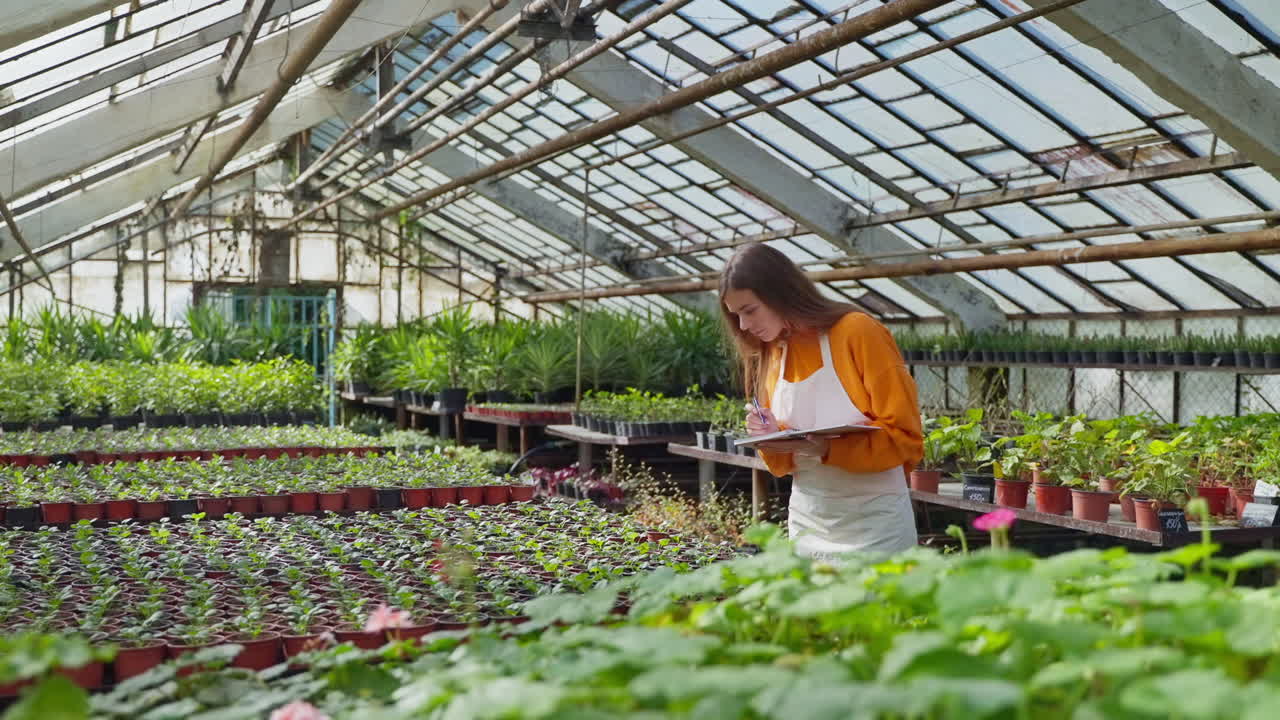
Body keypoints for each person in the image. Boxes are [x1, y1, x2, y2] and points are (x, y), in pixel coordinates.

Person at [720, 243, 924, 558]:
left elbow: (907, 441)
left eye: (750, 310)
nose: (744, 326)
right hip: (809, 521)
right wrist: (771, 434)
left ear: (781, 293)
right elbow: (784, 466)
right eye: (737, 316)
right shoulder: (775, 350)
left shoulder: (858, 332)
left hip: (875, 525)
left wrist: (827, 448)